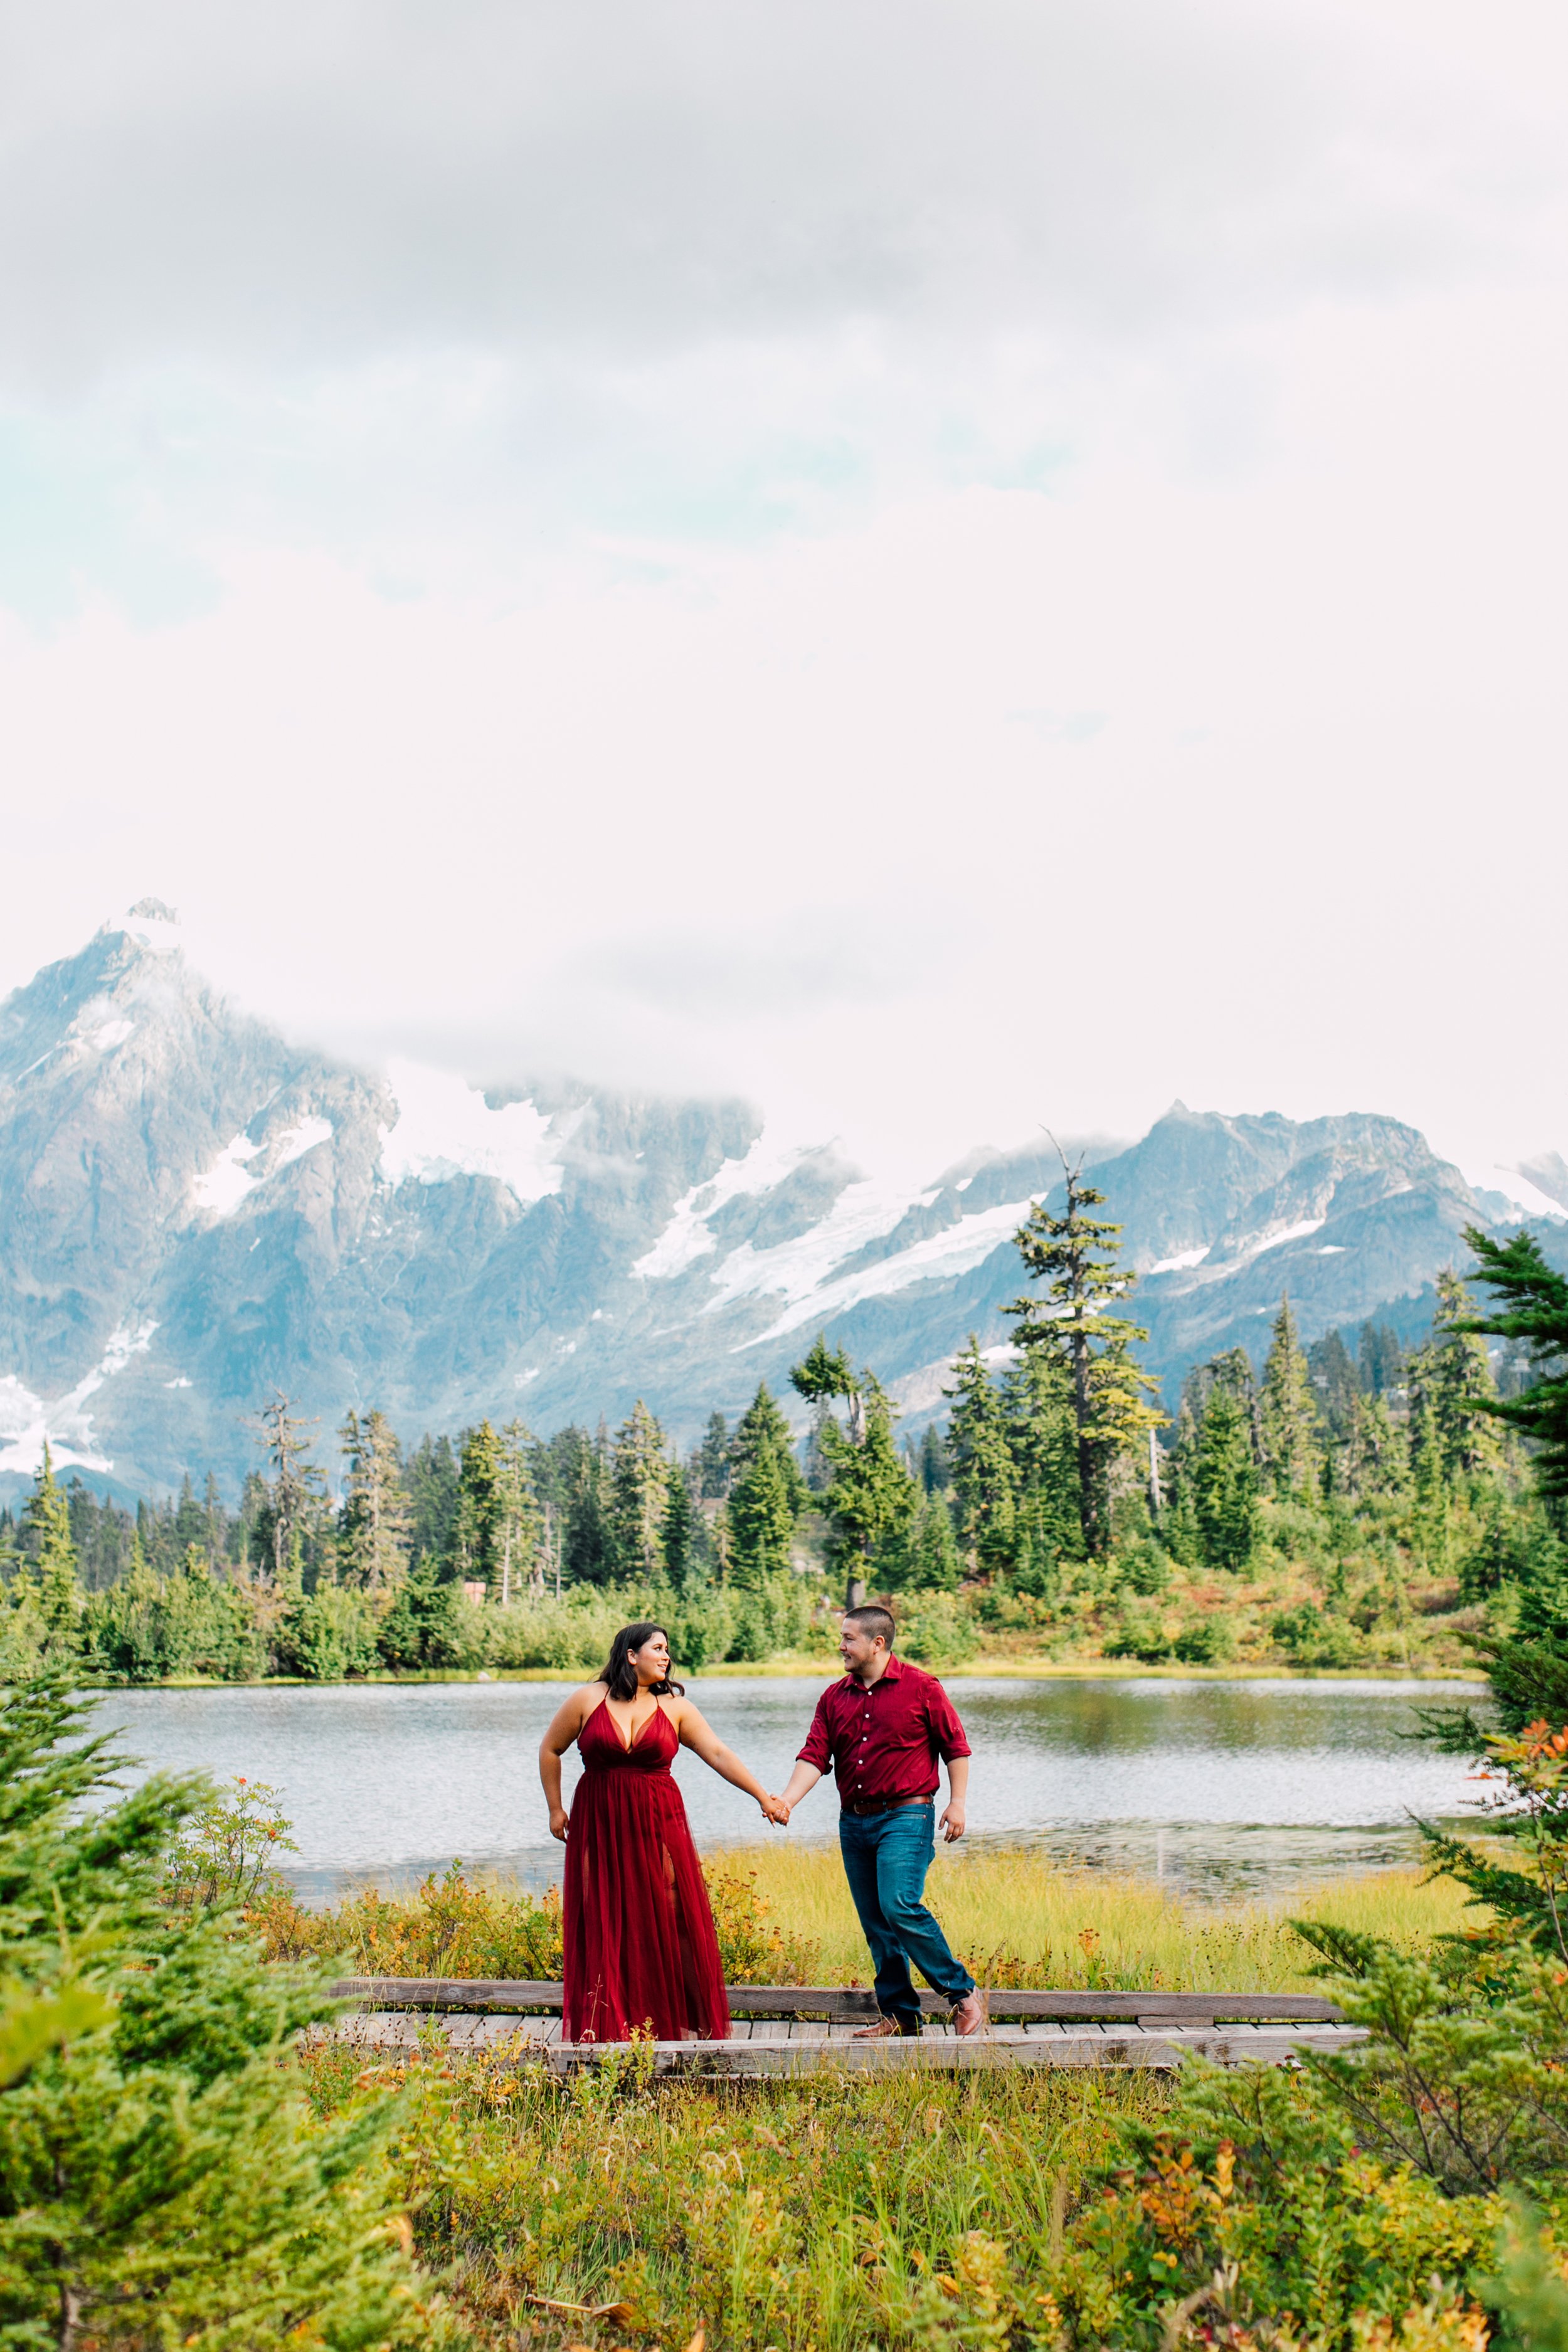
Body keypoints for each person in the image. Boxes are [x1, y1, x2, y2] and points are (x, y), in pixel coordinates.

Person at [539, 1620, 789, 2043]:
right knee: (602, 1914)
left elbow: (717, 1752)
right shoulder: (586, 1699)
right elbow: (550, 1749)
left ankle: (680, 2017)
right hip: (599, 1818)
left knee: (671, 1912)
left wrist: (763, 1797)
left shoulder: (675, 1707)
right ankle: (605, 2022)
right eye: (658, 1648)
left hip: (658, 1820)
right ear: (631, 1655)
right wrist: (555, 1809)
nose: (666, 1656)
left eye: (667, 1649)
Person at [774, 1604, 988, 2039]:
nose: (841, 1646)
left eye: (849, 1638)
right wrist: (788, 1800)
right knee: (876, 1921)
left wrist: (958, 1802)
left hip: (908, 1814)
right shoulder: (834, 1697)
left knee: (898, 1905)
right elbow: (815, 1755)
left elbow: (956, 1748)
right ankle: (901, 2015)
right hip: (854, 1823)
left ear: (878, 1643)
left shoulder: (923, 1688)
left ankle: (962, 1993)